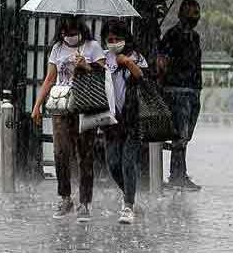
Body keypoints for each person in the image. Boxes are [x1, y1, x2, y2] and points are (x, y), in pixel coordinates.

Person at [31, 16, 106, 222]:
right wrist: (38, 104)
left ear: (80, 30)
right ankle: (65, 197)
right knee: (61, 151)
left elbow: (103, 75)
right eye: (65, 33)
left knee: (85, 153)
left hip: (85, 105)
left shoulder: (93, 47)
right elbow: (50, 78)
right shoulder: (57, 48)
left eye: (73, 33)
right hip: (62, 106)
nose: (69, 37)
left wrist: (86, 65)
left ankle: (84, 202)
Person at [102, 19, 147, 225]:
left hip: (133, 119)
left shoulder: (136, 57)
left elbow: (144, 78)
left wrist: (127, 62)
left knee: (128, 161)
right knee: (113, 163)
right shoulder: (104, 58)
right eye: (109, 39)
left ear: (125, 39)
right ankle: (130, 195)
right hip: (111, 121)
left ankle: (128, 205)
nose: (113, 43)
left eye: (117, 39)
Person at [158, 0, 203, 191]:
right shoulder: (171, 36)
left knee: (186, 134)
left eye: (196, 12)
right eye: (191, 12)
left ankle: (179, 173)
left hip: (192, 90)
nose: (194, 16)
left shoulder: (195, 37)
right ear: (181, 14)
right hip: (176, 91)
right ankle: (177, 175)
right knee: (180, 134)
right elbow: (162, 63)